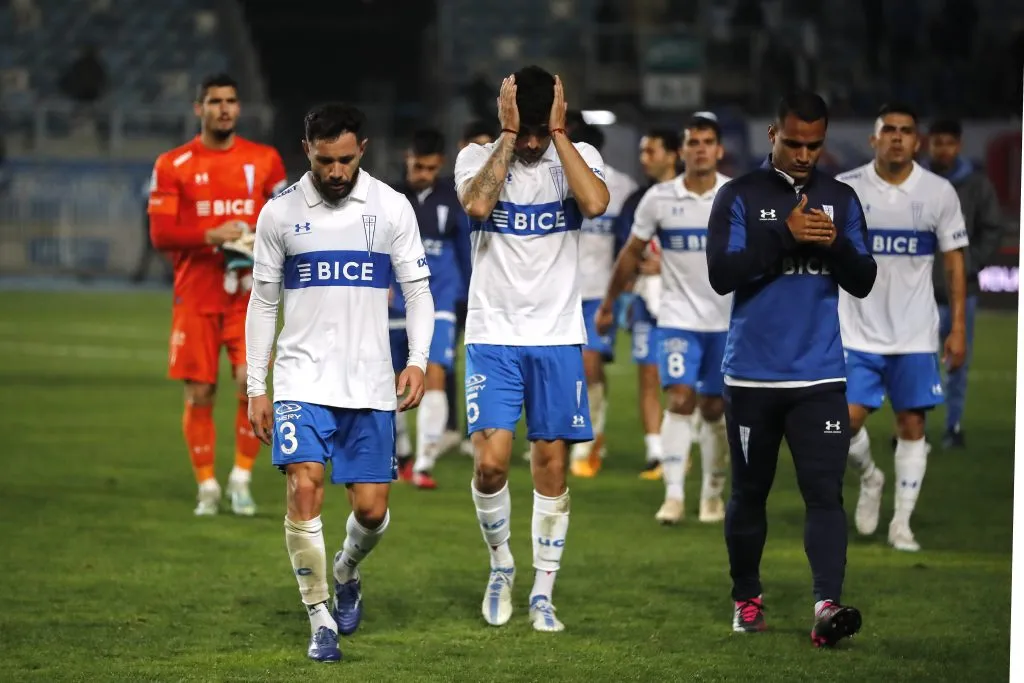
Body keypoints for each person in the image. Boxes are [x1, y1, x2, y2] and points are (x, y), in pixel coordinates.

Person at [245, 103, 433, 663]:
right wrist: (259, 385)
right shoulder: (278, 213)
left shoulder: (391, 207)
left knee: (371, 511)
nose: (334, 172)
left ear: (363, 151)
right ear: (307, 151)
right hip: (302, 379)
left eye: (345, 160)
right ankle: (319, 615)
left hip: (370, 382)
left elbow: (419, 291)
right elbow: (262, 301)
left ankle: (347, 569)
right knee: (304, 486)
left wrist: (418, 358)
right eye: (325, 160)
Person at [706, 90, 876, 646]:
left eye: (816, 144)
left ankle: (827, 605)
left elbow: (863, 278)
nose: (805, 154)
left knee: (824, 492)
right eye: (795, 143)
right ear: (773, 134)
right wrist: (786, 235)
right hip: (752, 377)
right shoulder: (739, 194)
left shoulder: (841, 198)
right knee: (750, 492)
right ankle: (747, 598)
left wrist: (835, 251)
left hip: (820, 375)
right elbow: (723, 273)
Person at [454, 65, 609, 632]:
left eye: (544, 128)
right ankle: (501, 566)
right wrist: (509, 135)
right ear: (507, 114)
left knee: (551, 466)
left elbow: (594, 204)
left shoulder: (578, 157)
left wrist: (560, 136)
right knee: (491, 467)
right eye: (530, 128)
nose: (536, 140)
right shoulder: (476, 157)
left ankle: (543, 591)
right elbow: (475, 206)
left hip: (557, 337)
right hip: (494, 335)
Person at [148, 73, 287, 516]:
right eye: (214, 101)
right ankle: (206, 485)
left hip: (249, 297)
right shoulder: (173, 164)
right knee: (199, 394)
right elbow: (161, 232)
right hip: (196, 295)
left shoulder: (265, 160)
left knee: (251, 385)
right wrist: (213, 234)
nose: (224, 108)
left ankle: (241, 479)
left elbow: (284, 217)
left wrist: (256, 242)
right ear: (199, 109)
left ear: (238, 108)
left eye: (230, 101)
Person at [838, 103, 968, 553]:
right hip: (855, 332)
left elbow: (953, 261)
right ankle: (871, 478)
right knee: (842, 424)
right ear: (874, 139)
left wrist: (958, 329)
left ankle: (902, 524)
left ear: (918, 142)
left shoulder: (938, 193)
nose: (897, 137)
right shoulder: (846, 189)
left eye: (906, 131)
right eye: (888, 130)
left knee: (912, 424)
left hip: (914, 334)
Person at [596, 114, 731, 524]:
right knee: (679, 397)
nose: (701, 149)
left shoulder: (735, 196)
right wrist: (608, 303)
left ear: (719, 150)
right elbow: (630, 254)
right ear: (682, 151)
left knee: (713, 408)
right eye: (693, 142)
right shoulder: (658, 199)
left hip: (725, 322)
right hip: (676, 319)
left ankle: (711, 492)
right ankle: (673, 494)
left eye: (708, 141)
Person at [388, 128, 472, 489]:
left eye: (430, 168)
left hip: (440, 296)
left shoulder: (453, 199)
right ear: (407, 158)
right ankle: (403, 453)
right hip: (394, 299)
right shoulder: (388, 198)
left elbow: (466, 251)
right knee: (389, 378)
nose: (422, 173)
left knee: (434, 369)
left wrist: (470, 295)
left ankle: (424, 462)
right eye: (417, 166)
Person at [926, 117, 1008, 448]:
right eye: (937, 142)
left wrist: (968, 264)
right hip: (922, 294)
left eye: (949, 143)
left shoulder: (976, 186)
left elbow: (992, 228)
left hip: (964, 293)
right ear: (928, 144)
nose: (943, 149)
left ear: (958, 145)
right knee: (918, 366)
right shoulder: (916, 183)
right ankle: (915, 429)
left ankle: (953, 427)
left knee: (957, 365)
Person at [566, 122, 638, 477]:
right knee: (565, 370)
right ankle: (572, 434)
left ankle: (587, 442)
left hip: (598, 293)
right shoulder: (555, 179)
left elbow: (631, 240)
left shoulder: (622, 187)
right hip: (559, 293)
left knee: (591, 364)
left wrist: (623, 291)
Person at [618, 129, 681, 480]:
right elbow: (625, 248)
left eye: (651, 151)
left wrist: (667, 263)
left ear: (672, 154)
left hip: (683, 300)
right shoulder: (636, 201)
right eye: (642, 151)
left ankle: (681, 446)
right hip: (645, 298)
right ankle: (655, 452)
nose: (644, 158)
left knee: (681, 380)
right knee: (648, 375)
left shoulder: (693, 197)